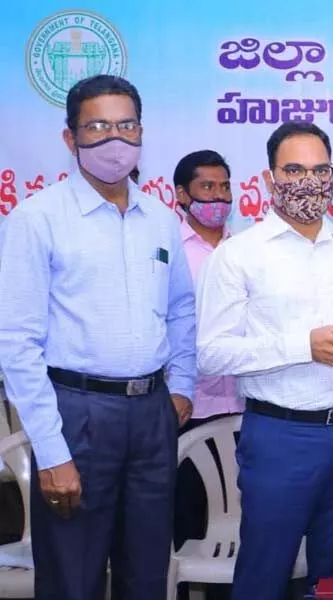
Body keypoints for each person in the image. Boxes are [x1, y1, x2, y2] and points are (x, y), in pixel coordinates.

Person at [0, 75, 197, 600]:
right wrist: (51, 451)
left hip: (152, 415)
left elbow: (181, 310)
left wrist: (181, 388)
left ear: (142, 133)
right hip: (77, 416)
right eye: (99, 126)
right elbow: (16, 343)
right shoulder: (36, 219)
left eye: (127, 125)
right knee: (73, 579)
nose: (116, 138)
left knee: (147, 573)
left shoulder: (159, 218)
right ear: (71, 138)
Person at [196, 121, 333, 599]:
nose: (309, 181)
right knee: (266, 570)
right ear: (269, 180)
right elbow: (212, 352)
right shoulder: (239, 255)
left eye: (320, 170)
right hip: (280, 437)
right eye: (294, 170)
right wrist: (303, 347)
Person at [171, 149, 240, 600]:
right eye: (207, 188)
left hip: (245, 407)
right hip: (188, 409)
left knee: (241, 529)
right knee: (191, 526)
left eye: (224, 187)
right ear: (182, 195)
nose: (218, 197)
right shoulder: (168, 251)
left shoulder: (246, 250)